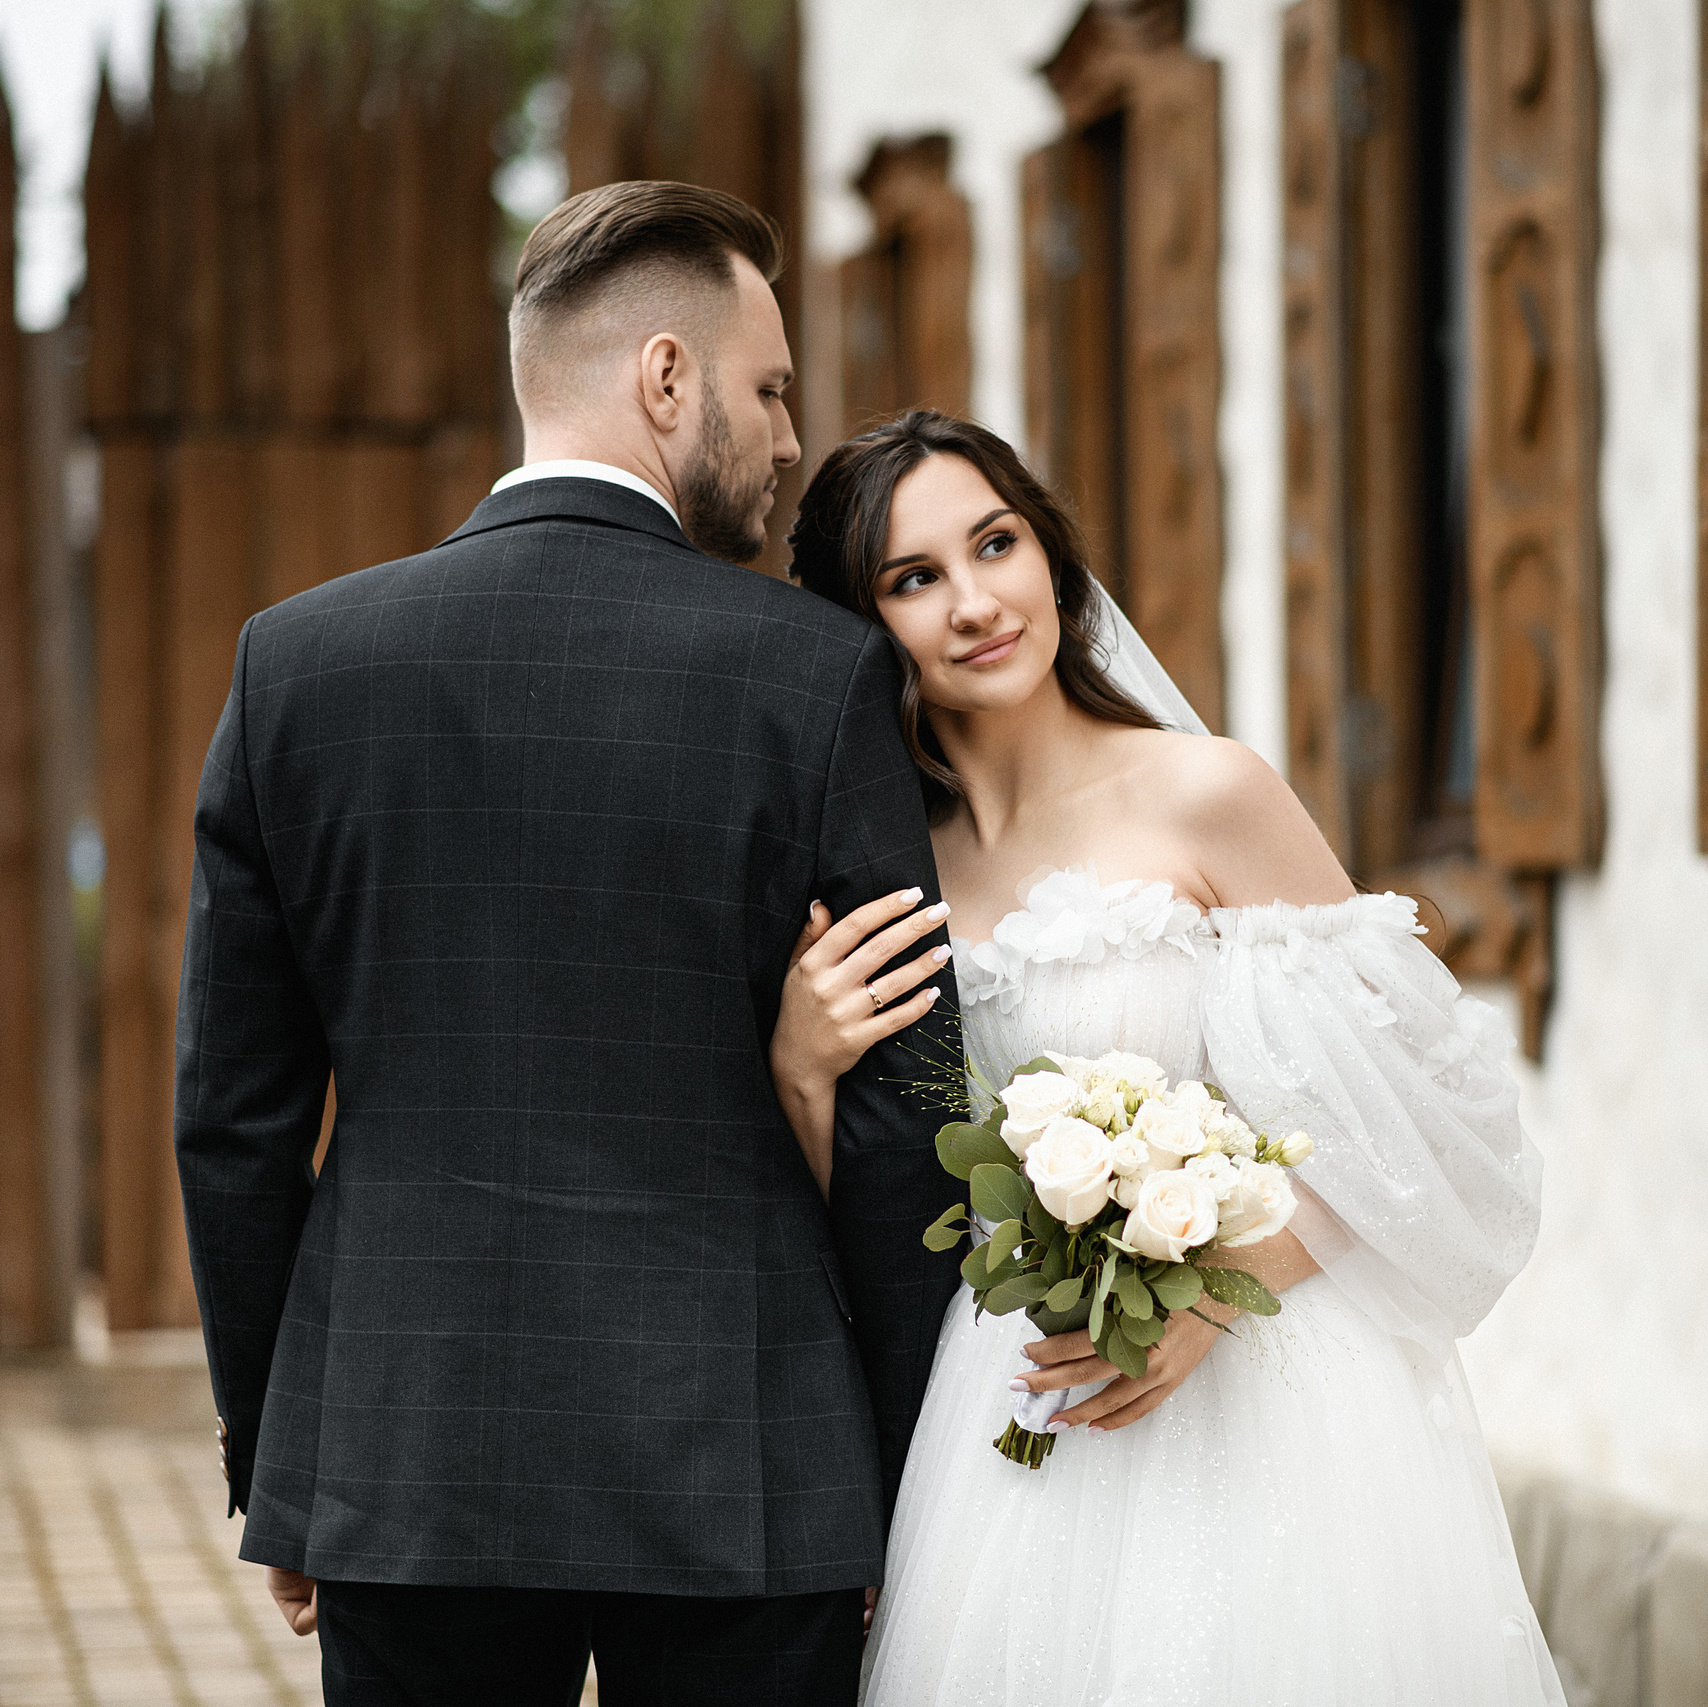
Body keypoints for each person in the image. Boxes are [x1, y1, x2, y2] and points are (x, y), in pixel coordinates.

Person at [172, 184, 961, 1707]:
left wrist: (286, 1448)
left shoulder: (298, 667)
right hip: (752, 1463)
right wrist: (904, 1470)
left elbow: (237, 1123)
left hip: (405, 1451)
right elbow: (906, 1108)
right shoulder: (814, 676)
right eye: (770, 387)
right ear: (666, 377)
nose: (793, 437)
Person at [776, 409, 1567, 1705]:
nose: (976, 600)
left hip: (1258, 1389)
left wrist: (1209, 1295)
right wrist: (805, 1066)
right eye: (915, 578)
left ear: (1050, 553)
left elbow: (1422, 1101)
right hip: (1013, 1399)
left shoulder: (1209, 794)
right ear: (861, 621)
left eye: (996, 542)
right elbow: (878, 1192)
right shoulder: (888, 867)